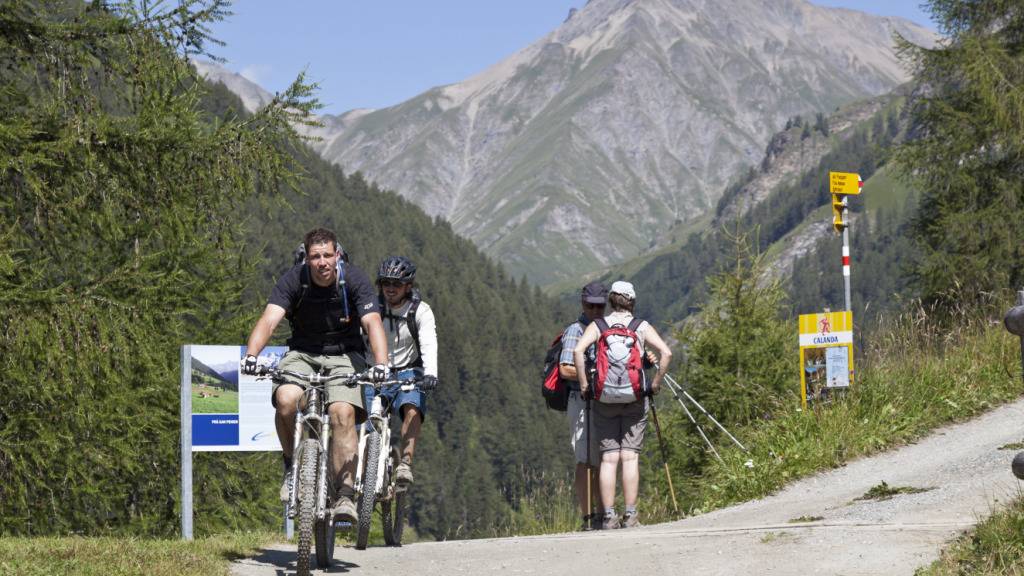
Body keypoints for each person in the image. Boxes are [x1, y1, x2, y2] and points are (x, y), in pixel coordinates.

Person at [241, 227, 389, 523]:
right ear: (307, 259)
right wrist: (251, 356)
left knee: (342, 412)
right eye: (315, 256)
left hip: (345, 355)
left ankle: (345, 494)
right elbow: (269, 320)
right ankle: (291, 465)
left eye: (327, 255)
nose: (322, 262)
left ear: (337, 255)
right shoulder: (294, 280)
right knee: (285, 400)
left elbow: (372, 322)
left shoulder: (354, 280)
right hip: (302, 353)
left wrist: (381, 363)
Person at [573, 280, 672, 529]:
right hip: (635, 399)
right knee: (629, 458)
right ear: (632, 302)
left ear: (610, 301)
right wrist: (655, 384)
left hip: (604, 399)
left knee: (608, 459)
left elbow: (578, 352)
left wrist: (585, 385)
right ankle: (630, 515)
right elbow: (667, 353)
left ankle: (608, 516)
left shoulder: (599, 325)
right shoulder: (640, 326)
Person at [365, 256, 439, 488]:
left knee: (412, 407)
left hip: (407, 370)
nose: (390, 288)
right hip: (375, 369)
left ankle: (405, 463)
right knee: (359, 419)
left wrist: (430, 374)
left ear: (408, 286)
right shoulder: (371, 307)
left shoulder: (420, 311)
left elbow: (429, 343)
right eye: (385, 282)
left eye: (396, 283)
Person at [558, 281, 606, 531]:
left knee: (602, 459)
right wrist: (592, 374)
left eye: (600, 307)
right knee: (585, 459)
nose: (595, 311)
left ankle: (603, 514)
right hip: (580, 400)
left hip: (602, 401)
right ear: (583, 304)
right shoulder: (575, 331)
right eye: (591, 306)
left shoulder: (606, 329)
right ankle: (588, 516)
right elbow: (565, 369)